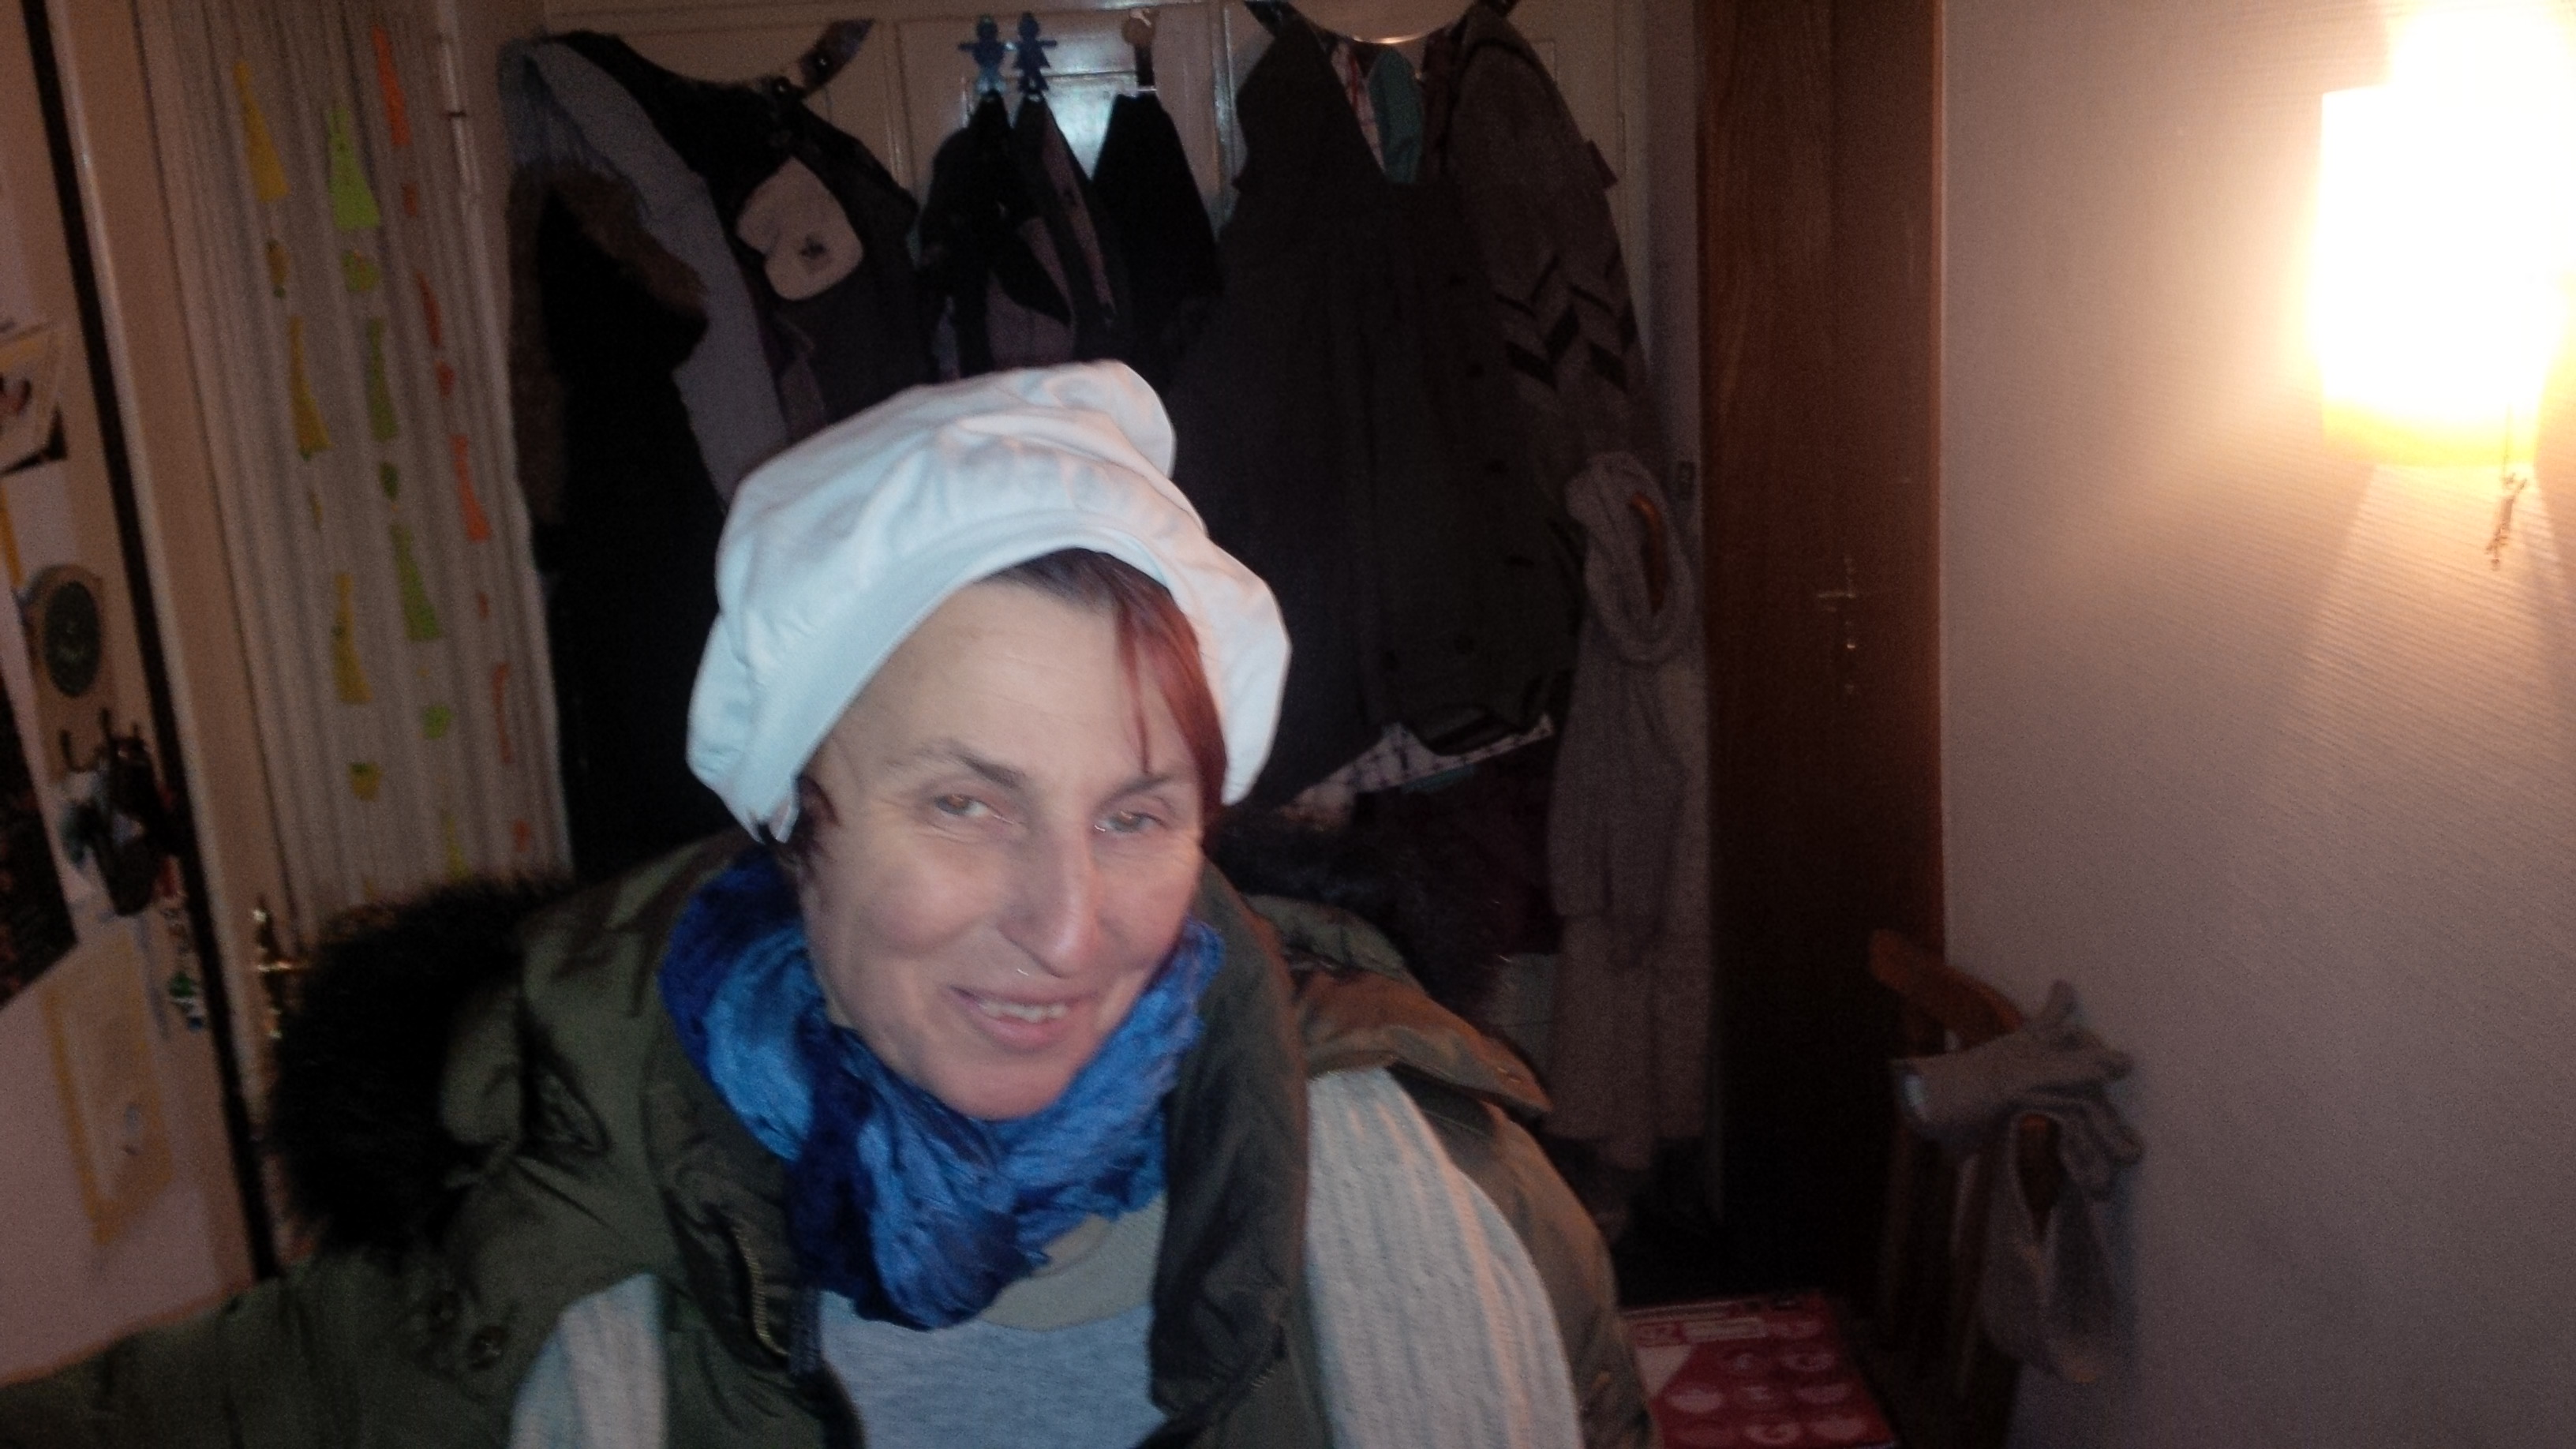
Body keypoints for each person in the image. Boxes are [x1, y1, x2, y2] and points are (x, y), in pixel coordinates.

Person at [0, 363, 1650, 1449]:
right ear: (797, 823)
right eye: (964, 803)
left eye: (1136, 814)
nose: (1071, 928)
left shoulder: (1457, 1193)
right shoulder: (543, 1227)